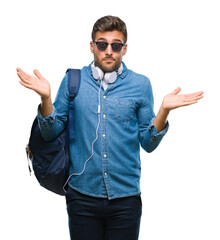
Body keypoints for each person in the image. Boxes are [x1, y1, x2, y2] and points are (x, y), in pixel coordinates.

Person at [17, 15, 203, 240]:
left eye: (116, 46)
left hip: (126, 199)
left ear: (124, 49)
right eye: (102, 44)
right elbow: (50, 131)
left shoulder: (141, 85)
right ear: (92, 46)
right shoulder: (73, 80)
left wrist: (164, 110)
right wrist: (46, 98)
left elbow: (148, 143)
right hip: (81, 196)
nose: (108, 51)